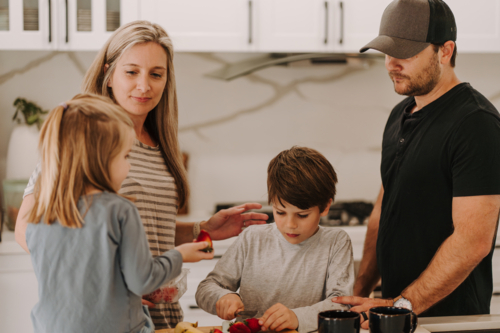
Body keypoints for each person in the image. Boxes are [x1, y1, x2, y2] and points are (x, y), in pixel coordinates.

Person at [15, 21, 269, 330]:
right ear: (109, 75)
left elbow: (135, 229)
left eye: (156, 74)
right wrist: (111, 286)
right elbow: (29, 228)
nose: (144, 86)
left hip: (159, 319)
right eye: (131, 72)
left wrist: (200, 230)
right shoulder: (85, 140)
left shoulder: (161, 145)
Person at [332, 0, 500, 325]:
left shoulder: (476, 124)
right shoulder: (400, 115)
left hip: (450, 321)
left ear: (445, 51)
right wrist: (362, 289)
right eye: (386, 52)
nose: (391, 64)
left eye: (405, 54)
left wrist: (401, 306)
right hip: (397, 313)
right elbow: (383, 210)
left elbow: (473, 241)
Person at [26, 94, 213, 333]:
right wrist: (179, 255)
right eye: (126, 156)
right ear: (101, 159)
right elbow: (142, 280)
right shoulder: (119, 209)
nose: (129, 165)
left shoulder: (40, 214)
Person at [196, 146, 354, 333]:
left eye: (302, 215)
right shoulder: (252, 238)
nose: (290, 224)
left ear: (325, 206)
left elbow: (342, 305)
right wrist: (222, 297)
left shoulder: (336, 242)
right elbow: (206, 288)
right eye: (280, 212)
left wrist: (297, 317)